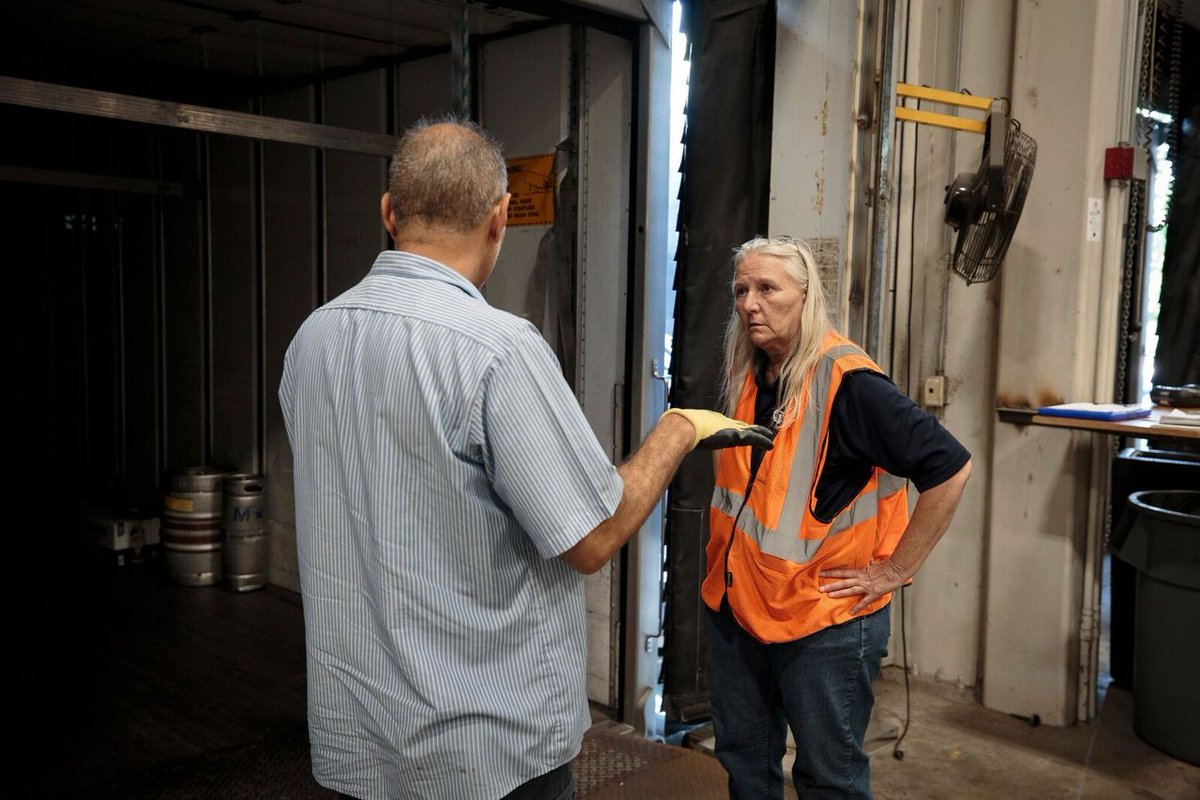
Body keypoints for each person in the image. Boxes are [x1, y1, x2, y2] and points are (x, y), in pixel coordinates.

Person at [278, 116, 773, 800]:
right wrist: (679, 430)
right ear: (500, 217)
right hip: (486, 757)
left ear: (390, 214)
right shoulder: (497, 350)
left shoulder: (314, 340)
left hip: (360, 740)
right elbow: (591, 535)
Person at [703, 235, 972, 799]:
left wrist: (894, 570)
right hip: (740, 608)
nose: (750, 303)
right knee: (745, 763)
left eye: (767, 289)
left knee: (829, 780)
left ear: (805, 297)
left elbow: (950, 468)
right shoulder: (754, 375)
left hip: (824, 620)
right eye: (741, 290)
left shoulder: (849, 383)